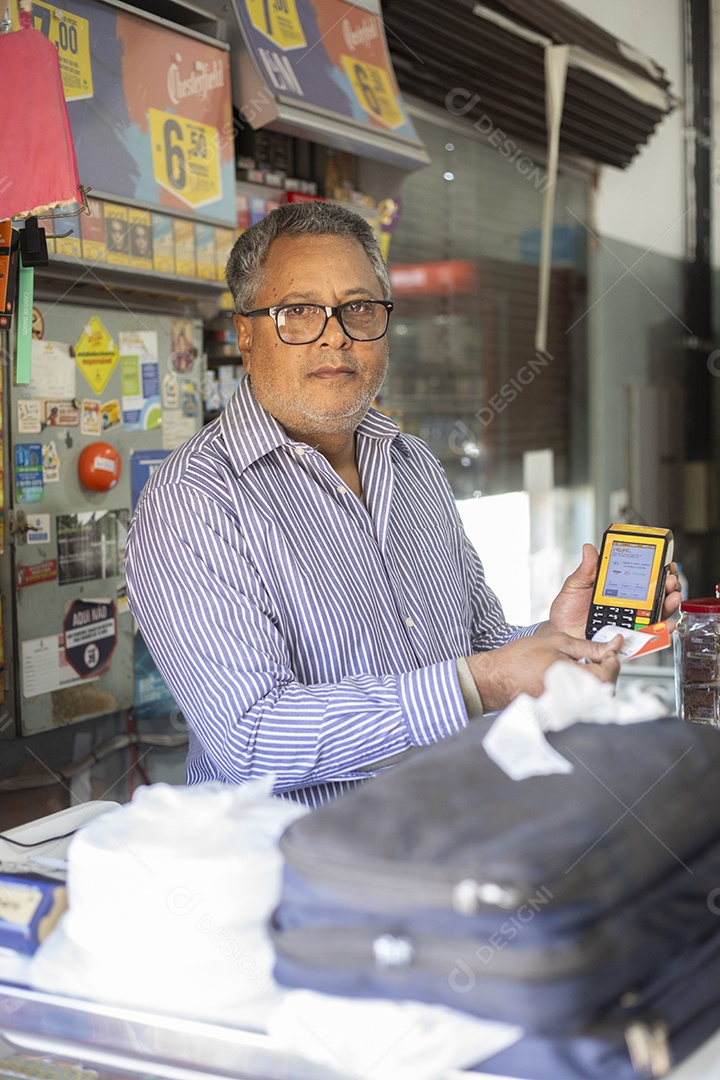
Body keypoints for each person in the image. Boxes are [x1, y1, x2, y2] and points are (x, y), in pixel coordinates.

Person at [124, 202, 681, 807]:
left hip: (458, 830)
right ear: (247, 334)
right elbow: (250, 738)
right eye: (299, 311)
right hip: (308, 872)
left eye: (358, 308)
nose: (335, 333)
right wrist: (483, 683)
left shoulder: (413, 467)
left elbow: (478, 647)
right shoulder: (192, 501)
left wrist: (556, 636)